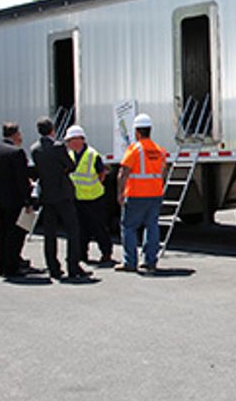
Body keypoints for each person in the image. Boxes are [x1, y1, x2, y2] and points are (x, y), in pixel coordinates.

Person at [30, 116, 89, 280]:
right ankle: (73, 265)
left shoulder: (35, 149)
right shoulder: (58, 147)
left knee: (50, 233)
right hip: (62, 194)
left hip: (47, 195)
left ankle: (53, 268)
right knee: (72, 230)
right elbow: (71, 166)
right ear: (52, 130)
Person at [116, 113, 168, 272]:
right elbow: (163, 172)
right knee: (152, 226)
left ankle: (130, 262)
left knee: (129, 227)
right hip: (155, 194)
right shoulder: (159, 150)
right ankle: (150, 261)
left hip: (137, 194)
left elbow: (123, 172)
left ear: (137, 132)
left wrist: (120, 193)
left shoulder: (134, 149)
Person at [0, 122, 33, 278]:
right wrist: (28, 198)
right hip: (14, 199)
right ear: (16, 134)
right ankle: (12, 266)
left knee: (1, 231)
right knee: (14, 233)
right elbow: (21, 179)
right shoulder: (17, 153)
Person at [64, 125, 113, 267]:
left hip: (94, 197)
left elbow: (101, 173)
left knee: (98, 227)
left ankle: (106, 252)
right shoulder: (71, 155)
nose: (69, 143)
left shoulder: (92, 154)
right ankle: (82, 254)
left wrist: (94, 185)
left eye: (71, 140)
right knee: (80, 228)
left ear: (79, 140)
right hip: (78, 198)